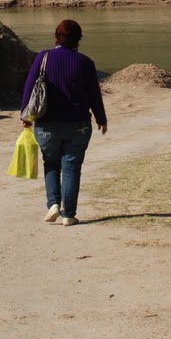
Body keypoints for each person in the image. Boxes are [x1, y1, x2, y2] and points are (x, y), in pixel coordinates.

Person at [20, 19, 107, 226]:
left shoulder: (43, 57)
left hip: (47, 123)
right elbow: (94, 95)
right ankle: (69, 214)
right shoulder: (86, 63)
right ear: (78, 39)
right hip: (78, 124)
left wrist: (25, 115)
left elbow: (29, 87)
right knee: (72, 167)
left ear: (56, 37)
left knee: (51, 163)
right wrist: (101, 119)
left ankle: (53, 205)